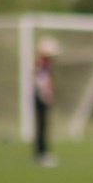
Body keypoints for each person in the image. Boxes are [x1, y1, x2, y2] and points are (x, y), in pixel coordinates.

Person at [33, 36, 60, 167]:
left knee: (43, 126)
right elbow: (42, 80)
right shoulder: (42, 64)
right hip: (40, 96)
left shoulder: (43, 63)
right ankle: (41, 154)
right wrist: (47, 93)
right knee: (42, 126)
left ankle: (42, 152)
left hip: (41, 95)